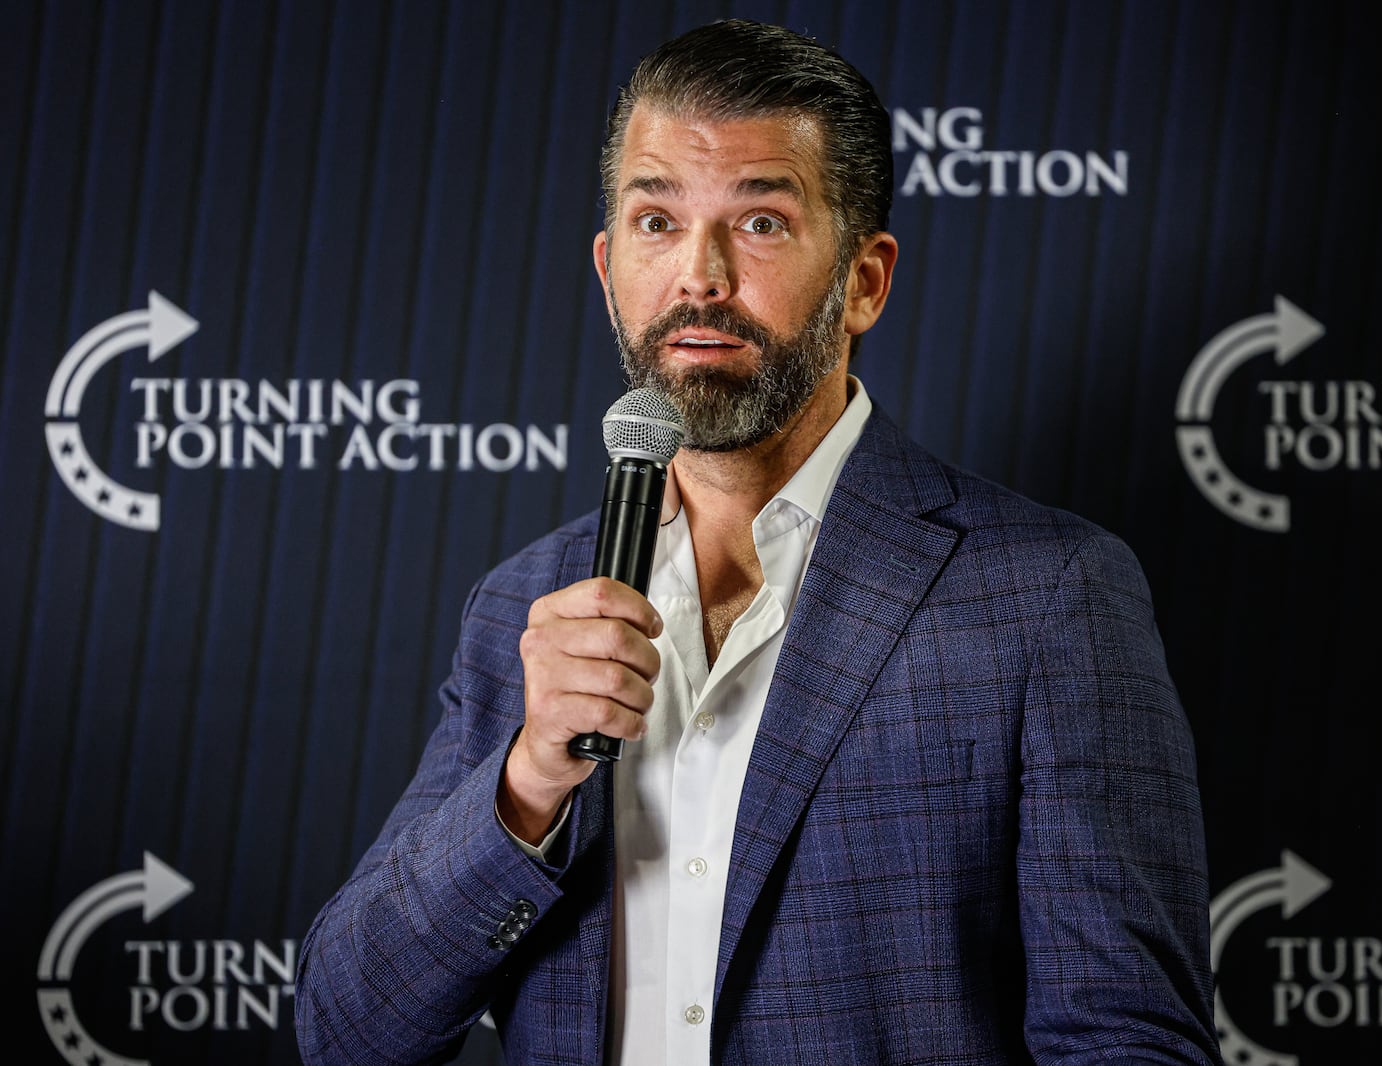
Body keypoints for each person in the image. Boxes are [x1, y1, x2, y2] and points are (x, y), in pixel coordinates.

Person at [295, 19, 1219, 1065]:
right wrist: (524, 782)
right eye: (655, 220)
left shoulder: (1045, 593)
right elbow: (346, 1031)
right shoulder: (525, 606)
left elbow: (1127, 1041)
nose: (699, 276)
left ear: (863, 280)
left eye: (762, 223)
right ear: (608, 268)